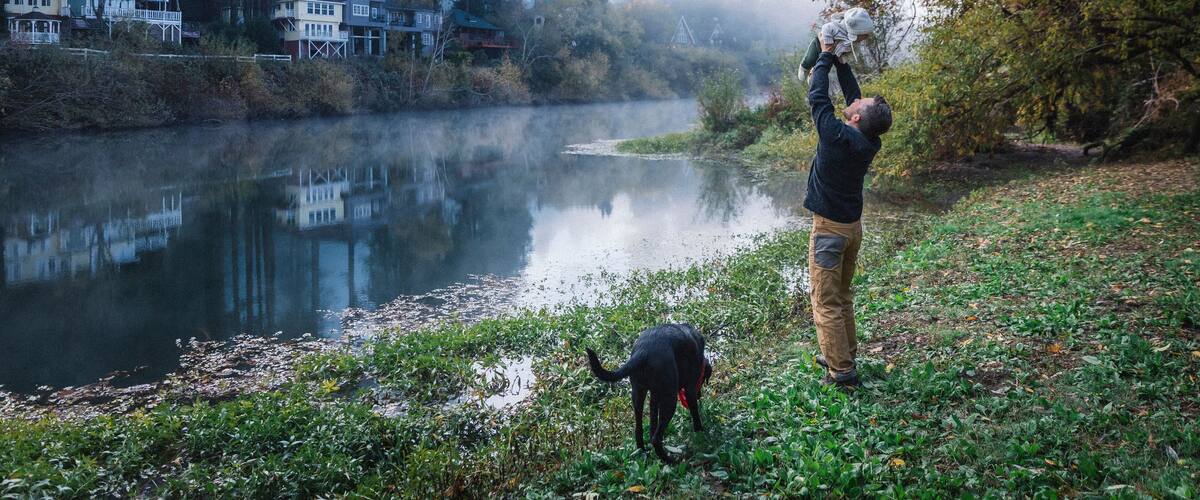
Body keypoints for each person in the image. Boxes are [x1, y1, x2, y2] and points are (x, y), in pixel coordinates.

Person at [804, 40, 892, 388]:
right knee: (841, 296)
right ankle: (843, 353)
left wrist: (825, 55)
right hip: (851, 229)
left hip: (829, 232)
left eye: (858, 104)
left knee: (825, 302)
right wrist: (843, 63)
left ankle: (841, 373)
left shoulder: (835, 135)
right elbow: (854, 98)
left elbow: (818, 98)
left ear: (855, 117)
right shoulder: (868, 139)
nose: (855, 99)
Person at [798, 8, 874, 83]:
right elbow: (826, 28)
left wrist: (843, 56)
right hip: (819, 44)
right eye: (864, 35)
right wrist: (828, 42)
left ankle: (814, 72)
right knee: (811, 58)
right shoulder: (836, 27)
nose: (866, 37)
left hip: (832, 53)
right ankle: (804, 67)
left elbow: (848, 48)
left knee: (825, 65)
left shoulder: (852, 40)